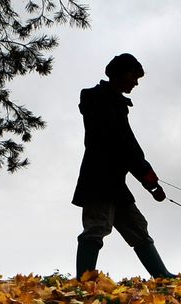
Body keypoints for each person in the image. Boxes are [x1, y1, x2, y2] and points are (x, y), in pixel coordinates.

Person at [71, 53, 175, 280]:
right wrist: (147, 177)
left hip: (115, 183)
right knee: (96, 229)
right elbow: (122, 144)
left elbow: (127, 146)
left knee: (137, 227)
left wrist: (148, 178)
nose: (136, 82)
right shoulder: (100, 100)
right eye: (134, 76)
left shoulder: (113, 102)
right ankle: (83, 283)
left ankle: (162, 276)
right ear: (120, 74)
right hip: (98, 180)